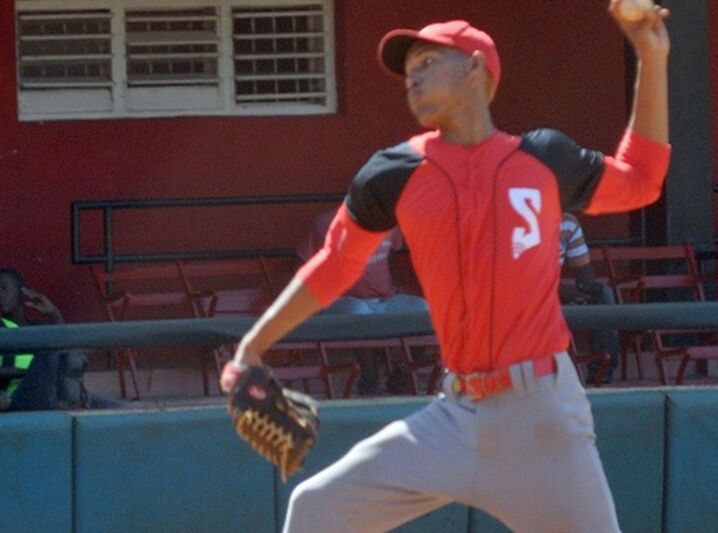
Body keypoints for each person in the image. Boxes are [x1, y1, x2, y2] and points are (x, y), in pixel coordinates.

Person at [221, 4, 671, 531]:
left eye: (429, 60)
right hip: (454, 416)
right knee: (315, 508)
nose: (413, 74)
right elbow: (334, 264)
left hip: (542, 420)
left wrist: (651, 54)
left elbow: (641, 179)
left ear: (476, 68)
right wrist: (253, 345)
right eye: (409, 67)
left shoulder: (544, 158)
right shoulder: (394, 172)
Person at [297, 209, 429, 395]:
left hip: (384, 299)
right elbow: (303, 263)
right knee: (359, 312)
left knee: (424, 310)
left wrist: (389, 285)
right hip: (341, 301)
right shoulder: (325, 224)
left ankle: (402, 374)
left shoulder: (387, 222)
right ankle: (370, 374)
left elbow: (391, 253)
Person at [0, 267, 97, 411]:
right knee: (49, 353)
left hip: (49, 397)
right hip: (14, 402)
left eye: (3, 288)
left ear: (22, 292)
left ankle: (74, 403)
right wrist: (25, 373)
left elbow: (68, 351)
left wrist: (54, 313)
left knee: (65, 351)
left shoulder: (38, 327)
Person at [559, 212, 620, 383]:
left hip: (555, 293)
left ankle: (602, 373)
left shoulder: (567, 222)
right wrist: (562, 291)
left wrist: (584, 288)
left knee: (603, 293)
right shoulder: (521, 219)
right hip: (528, 296)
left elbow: (584, 270)